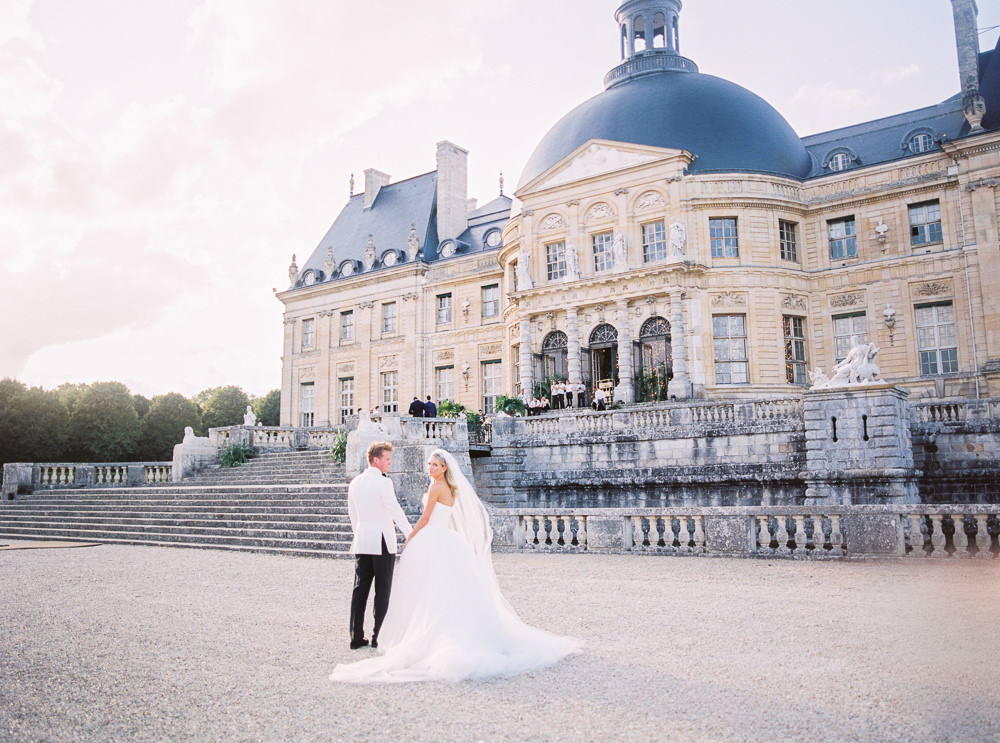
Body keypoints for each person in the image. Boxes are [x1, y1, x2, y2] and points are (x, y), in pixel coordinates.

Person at [330, 449, 580, 683]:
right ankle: (380, 634)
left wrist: (411, 535)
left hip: (416, 538)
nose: (430, 467)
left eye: (435, 465)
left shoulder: (431, 486)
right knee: (441, 588)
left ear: (444, 468)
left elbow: (426, 517)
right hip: (442, 539)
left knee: (380, 588)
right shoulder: (447, 487)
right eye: (429, 464)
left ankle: (365, 636)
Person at [345, 442, 413, 650]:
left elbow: (352, 514)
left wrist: (359, 534)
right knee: (382, 590)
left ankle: (356, 637)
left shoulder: (355, 482)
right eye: (387, 459)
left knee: (360, 589)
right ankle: (378, 637)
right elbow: (394, 509)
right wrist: (410, 533)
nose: (389, 462)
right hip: (382, 540)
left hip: (363, 539)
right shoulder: (384, 483)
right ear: (376, 460)